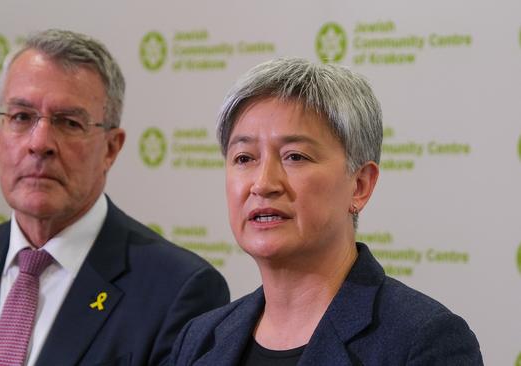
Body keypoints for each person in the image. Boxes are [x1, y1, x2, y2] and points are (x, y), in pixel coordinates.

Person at [0, 29, 229, 366]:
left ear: (111, 148)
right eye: (22, 117)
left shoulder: (178, 292)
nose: (40, 143)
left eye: (68, 122)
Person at [170, 58, 483, 365]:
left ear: (359, 185)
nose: (263, 184)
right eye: (244, 158)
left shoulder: (423, 340)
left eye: (295, 156)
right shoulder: (200, 339)